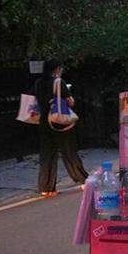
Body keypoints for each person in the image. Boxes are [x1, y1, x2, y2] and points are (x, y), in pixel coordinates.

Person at [33, 60, 88, 197]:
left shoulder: (38, 83)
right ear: (57, 69)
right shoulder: (58, 82)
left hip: (44, 122)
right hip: (59, 120)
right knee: (68, 151)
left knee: (47, 154)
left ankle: (46, 187)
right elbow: (70, 101)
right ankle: (83, 180)